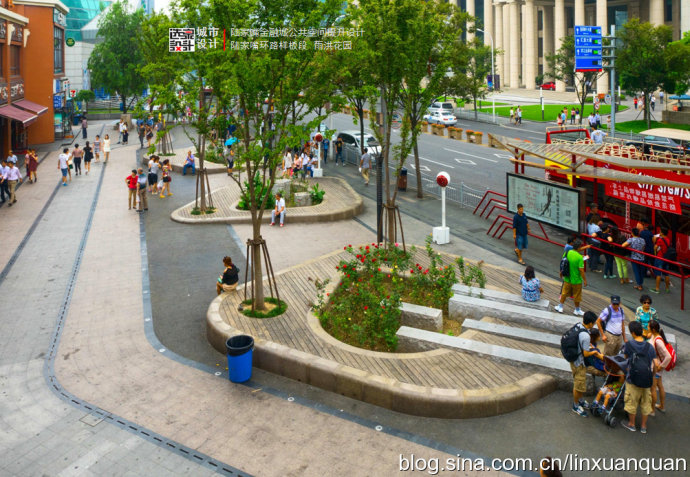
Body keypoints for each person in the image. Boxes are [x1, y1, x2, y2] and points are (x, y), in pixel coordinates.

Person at [621, 321, 657, 433]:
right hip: (646, 379)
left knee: (631, 401)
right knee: (646, 403)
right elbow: (655, 364)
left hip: (632, 379)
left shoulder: (629, 345)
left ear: (632, 333)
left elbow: (625, 358)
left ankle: (632, 424)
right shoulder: (649, 347)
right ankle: (643, 427)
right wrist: (652, 376)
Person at [569, 311, 603, 417]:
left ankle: (580, 401)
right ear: (591, 323)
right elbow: (586, 353)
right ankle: (575, 406)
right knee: (578, 385)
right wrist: (594, 351)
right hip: (579, 363)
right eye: (594, 323)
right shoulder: (586, 336)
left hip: (573, 359)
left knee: (580, 384)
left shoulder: (578, 326)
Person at [555, 238, 587, 316]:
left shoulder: (568, 252)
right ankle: (577, 310)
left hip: (567, 278)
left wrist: (561, 272)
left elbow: (563, 262)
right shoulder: (579, 258)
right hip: (576, 280)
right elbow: (581, 270)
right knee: (577, 295)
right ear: (579, 247)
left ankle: (560, 307)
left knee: (564, 293)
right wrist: (585, 280)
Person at [649, 320, 671, 416]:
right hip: (657, 367)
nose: (647, 328)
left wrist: (660, 366)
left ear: (653, 329)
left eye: (649, 327)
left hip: (656, 368)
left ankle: (652, 410)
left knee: (653, 388)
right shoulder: (655, 336)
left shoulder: (658, 340)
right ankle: (662, 406)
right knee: (659, 385)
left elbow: (668, 357)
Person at [650, 227, 672, 294]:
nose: (659, 233)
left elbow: (655, 248)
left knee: (658, 274)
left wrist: (654, 242)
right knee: (666, 274)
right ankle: (667, 288)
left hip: (659, 258)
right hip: (666, 258)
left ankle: (657, 289)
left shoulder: (660, 240)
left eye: (660, 231)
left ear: (662, 233)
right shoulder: (668, 239)